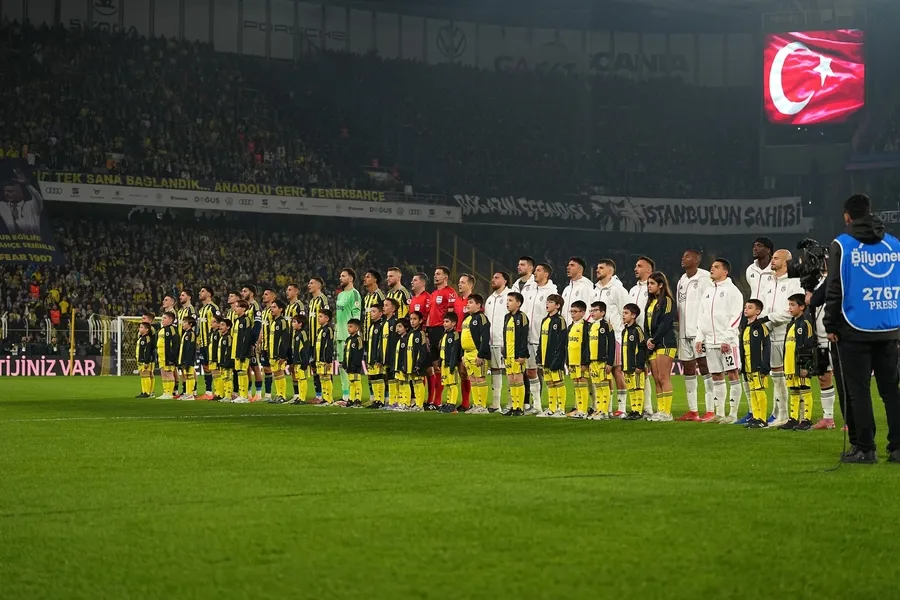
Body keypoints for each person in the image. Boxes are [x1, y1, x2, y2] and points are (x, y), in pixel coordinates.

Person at [825, 194, 900, 463]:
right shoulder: (893, 244)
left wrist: (830, 324)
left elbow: (835, 287)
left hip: (854, 327)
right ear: (870, 212)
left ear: (847, 216)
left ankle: (866, 449)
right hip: (889, 325)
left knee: (858, 391)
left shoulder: (842, 245)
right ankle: (898, 447)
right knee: (891, 391)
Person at [693, 259, 744, 423]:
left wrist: (727, 338)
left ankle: (733, 414)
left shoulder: (733, 291)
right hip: (710, 342)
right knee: (716, 376)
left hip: (727, 342)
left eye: (716, 267)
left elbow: (736, 316)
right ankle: (720, 413)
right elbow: (702, 316)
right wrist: (700, 337)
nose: (711, 269)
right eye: (711, 267)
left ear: (725, 271)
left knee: (732, 374)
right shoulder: (708, 291)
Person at [761, 250, 803, 427]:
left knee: (791, 377)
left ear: (786, 262)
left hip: (787, 335)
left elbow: (792, 310)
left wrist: (769, 320)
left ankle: (798, 415)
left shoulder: (795, 283)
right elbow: (761, 306)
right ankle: (782, 415)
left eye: (776, 258)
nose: (772, 260)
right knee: (777, 378)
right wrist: (762, 323)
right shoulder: (768, 281)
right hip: (769, 335)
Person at [676, 249, 713, 421]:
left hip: (699, 332)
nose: (683, 258)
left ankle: (711, 409)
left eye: (688, 256)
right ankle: (693, 411)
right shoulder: (682, 280)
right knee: (689, 369)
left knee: (705, 367)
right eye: (683, 256)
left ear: (697, 260)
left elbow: (708, 305)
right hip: (684, 332)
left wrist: (703, 331)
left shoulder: (705, 278)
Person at [593, 259, 631, 418]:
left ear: (610, 271)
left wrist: (623, 332)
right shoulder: (595, 290)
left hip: (615, 336)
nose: (597, 270)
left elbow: (627, 310)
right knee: (603, 371)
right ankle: (606, 407)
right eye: (597, 267)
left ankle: (621, 408)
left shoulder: (618, 289)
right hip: (598, 337)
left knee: (617, 371)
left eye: (601, 268)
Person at [778, 294, 817, 431]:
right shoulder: (791, 324)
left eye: (793, 305)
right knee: (794, 390)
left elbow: (808, 345)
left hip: (800, 364)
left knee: (805, 390)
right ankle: (793, 418)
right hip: (790, 364)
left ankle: (806, 420)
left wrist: (806, 365)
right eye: (789, 305)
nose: (790, 307)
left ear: (802, 307)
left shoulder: (805, 323)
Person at [644, 272, 677, 422]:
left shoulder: (668, 301)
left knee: (664, 377)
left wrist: (654, 340)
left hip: (665, 343)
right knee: (656, 378)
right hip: (653, 344)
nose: (649, 286)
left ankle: (667, 412)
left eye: (652, 283)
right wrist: (647, 340)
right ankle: (660, 410)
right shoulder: (650, 303)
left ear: (661, 285)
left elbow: (665, 324)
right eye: (648, 284)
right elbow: (646, 324)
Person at [427, 266, 457, 409]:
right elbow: (429, 315)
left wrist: (447, 331)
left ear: (445, 277)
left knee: (442, 365)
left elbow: (451, 314)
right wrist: (426, 332)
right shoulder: (433, 294)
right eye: (434, 274)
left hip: (441, 330)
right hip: (431, 331)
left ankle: (440, 400)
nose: (435, 276)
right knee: (435, 366)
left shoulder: (450, 292)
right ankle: (435, 400)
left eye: (438, 274)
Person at [740, 300, 771, 429]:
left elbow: (767, 346)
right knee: (752, 392)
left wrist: (765, 365)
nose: (746, 310)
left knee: (759, 391)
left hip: (758, 366)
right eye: (745, 307)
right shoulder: (745, 328)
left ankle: (763, 419)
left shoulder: (761, 327)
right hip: (748, 366)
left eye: (750, 307)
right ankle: (756, 417)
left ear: (757, 311)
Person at [630, 256, 655, 417]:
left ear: (649, 270)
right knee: (639, 371)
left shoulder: (652, 289)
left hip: (649, 337)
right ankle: (642, 407)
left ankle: (650, 408)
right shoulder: (632, 290)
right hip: (634, 336)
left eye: (639, 266)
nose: (635, 269)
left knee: (652, 372)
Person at [459, 294, 492, 414]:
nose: (468, 304)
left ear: (478, 305)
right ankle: (476, 404)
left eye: (471, 302)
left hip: (476, 353)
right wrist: (462, 354)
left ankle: (482, 406)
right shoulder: (467, 319)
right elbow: (463, 337)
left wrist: (481, 355)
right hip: (467, 354)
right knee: (472, 379)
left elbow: (485, 337)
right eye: (468, 302)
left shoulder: (481, 318)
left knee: (480, 378)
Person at [485, 271, 512, 413]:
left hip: (506, 341)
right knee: (495, 370)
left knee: (510, 371)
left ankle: (511, 403)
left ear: (505, 281)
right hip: (492, 341)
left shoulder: (510, 296)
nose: (493, 279)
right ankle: (496, 404)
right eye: (493, 277)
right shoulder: (489, 299)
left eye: (496, 278)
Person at [537, 294, 567, 418]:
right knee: (550, 383)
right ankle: (551, 408)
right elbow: (541, 340)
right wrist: (539, 356)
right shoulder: (545, 320)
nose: (547, 304)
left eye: (550, 302)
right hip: (545, 359)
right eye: (547, 301)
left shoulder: (560, 320)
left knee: (558, 382)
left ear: (558, 306)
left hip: (555, 359)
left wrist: (558, 359)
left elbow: (562, 342)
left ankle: (561, 409)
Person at [335, 269, 362, 403]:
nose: (340, 278)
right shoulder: (340, 295)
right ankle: (345, 395)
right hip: (340, 335)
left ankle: (355, 396)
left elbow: (356, 315)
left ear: (350, 278)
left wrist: (354, 334)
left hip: (349, 336)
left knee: (351, 366)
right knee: (342, 366)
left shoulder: (355, 294)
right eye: (340, 276)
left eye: (343, 276)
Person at [502, 292, 530, 416]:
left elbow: (524, 337)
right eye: (507, 300)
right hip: (508, 355)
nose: (508, 303)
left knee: (518, 380)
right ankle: (513, 406)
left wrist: (522, 355)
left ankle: (520, 407)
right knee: (511, 381)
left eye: (511, 300)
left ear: (518, 303)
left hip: (518, 355)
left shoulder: (522, 317)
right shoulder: (507, 317)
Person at [587, 301, 616, 419]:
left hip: (603, 362)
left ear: (602, 312)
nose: (592, 313)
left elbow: (612, 345)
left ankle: (605, 411)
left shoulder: (606, 326)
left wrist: (610, 362)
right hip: (593, 361)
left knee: (604, 386)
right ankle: (599, 409)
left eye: (595, 310)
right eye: (591, 310)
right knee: (597, 386)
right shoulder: (591, 326)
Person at [621, 304, 648, 421]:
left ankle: (638, 411)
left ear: (633, 315)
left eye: (626, 313)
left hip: (636, 366)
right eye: (623, 313)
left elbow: (642, 348)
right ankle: (633, 410)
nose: (623, 315)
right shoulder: (624, 331)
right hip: (627, 366)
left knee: (638, 388)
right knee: (631, 389)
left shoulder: (637, 330)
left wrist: (640, 365)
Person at [566, 300, 591, 419]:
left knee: (582, 384)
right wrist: (567, 361)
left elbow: (587, 345)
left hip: (581, 362)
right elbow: (568, 345)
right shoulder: (570, 326)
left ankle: (584, 410)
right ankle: (579, 408)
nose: (572, 314)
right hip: (572, 361)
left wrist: (585, 362)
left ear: (582, 313)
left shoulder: (586, 326)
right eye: (571, 311)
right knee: (576, 385)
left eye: (575, 311)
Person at [455, 273, 476, 411]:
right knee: (460, 371)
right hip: (456, 337)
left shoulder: (473, 301)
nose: (459, 284)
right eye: (459, 282)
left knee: (467, 370)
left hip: (467, 338)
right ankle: (464, 403)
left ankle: (469, 402)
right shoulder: (457, 301)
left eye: (462, 282)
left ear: (470, 285)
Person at [307, 277, 329, 403]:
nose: (309, 285)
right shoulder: (311, 301)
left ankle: (327, 395)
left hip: (320, 339)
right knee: (315, 367)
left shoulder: (322, 299)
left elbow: (326, 318)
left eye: (311, 283)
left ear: (319, 285)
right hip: (312, 340)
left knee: (323, 367)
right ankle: (319, 395)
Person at [196, 286, 221, 400]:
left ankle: (220, 391)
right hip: (203, 344)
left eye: (203, 291)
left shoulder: (213, 308)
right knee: (206, 367)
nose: (200, 293)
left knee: (215, 367)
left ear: (209, 294)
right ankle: (209, 392)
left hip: (212, 343)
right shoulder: (201, 310)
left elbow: (219, 324)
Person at [240, 285, 263, 401]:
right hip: (245, 342)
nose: (242, 293)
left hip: (251, 342)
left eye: (245, 291)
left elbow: (258, 325)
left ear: (252, 293)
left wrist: (254, 342)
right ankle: (248, 393)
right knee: (247, 368)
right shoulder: (246, 307)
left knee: (255, 367)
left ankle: (258, 394)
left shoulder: (255, 306)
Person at [267, 299, 291, 404]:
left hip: (279, 354)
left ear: (281, 309)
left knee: (280, 373)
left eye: (274, 307)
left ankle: (282, 395)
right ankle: (278, 394)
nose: (271, 309)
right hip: (272, 353)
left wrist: (282, 355)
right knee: (276, 374)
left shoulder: (282, 322)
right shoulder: (273, 322)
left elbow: (285, 339)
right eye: (271, 307)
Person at [364, 302, 388, 409]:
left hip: (377, 358)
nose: (371, 314)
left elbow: (381, 344)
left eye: (374, 311)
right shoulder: (372, 326)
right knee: (373, 378)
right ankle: (376, 400)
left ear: (380, 313)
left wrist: (379, 357)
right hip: (371, 357)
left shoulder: (382, 326)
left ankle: (381, 400)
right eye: (370, 312)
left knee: (379, 377)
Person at [230, 300, 254, 404]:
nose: (235, 308)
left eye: (237, 306)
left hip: (243, 352)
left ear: (243, 309)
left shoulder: (246, 320)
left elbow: (247, 337)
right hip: (236, 351)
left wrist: (243, 352)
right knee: (239, 373)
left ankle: (245, 396)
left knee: (243, 373)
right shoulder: (237, 320)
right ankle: (241, 394)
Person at [406, 311, 430, 412]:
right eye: (411, 319)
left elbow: (423, 351)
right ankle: (416, 402)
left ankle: (420, 405)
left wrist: (419, 363)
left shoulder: (421, 333)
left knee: (419, 382)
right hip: (410, 363)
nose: (412, 321)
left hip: (417, 364)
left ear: (420, 321)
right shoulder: (410, 333)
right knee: (414, 382)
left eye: (415, 319)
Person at [258, 288, 279, 401]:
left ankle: (280, 394)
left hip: (273, 345)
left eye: (266, 294)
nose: (263, 296)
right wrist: (259, 342)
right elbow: (262, 328)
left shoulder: (274, 311)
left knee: (276, 370)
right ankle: (267, 394)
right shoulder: (264, 311)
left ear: (273, 296)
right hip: (265, 345)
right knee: (266, 369)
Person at [438, 312, 462, 413]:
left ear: (454, 323)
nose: (444, 323)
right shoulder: (445, 334)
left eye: (447, 322)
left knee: (452, 384)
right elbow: (442, 350)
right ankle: (448, 403)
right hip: (444, 363)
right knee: (447, 384)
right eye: (444, 321)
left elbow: (454, 351)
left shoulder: (455, 335)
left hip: (451, 364)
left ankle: (452, 405)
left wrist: (452, 365)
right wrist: (440, 362)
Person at [313, 308, 336, 406]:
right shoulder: (320, 330)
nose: (318, 319)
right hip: (319, 359)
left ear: (327, 318)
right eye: (318, 317)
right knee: (322, 379)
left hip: (325, 360)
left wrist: (328, 360)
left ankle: (329, 399)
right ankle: (324, 397)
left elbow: (329, 345)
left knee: (327, 378)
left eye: (320, 317)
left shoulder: (329, 330)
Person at [562, 257, 594, 325]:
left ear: (580, 270)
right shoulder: (566, 289)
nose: (568, 267)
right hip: (567, 331)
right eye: (568, 265)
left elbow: (589, 310)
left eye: (572, 265)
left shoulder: (586, 287)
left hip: (579, 330)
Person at [381, 297, 401, 409]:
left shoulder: (395, 323)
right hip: (386, 357)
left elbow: (394, 342)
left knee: (394, 379)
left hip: (393, 356)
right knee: (389, 379)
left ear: (393, 309)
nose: (384, 307)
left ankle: (396, 401)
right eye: (383, 305)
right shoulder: (385, 322)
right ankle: (392, 400)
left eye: (386, 305)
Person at [155, 311, 179, 399]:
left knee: (169, 373)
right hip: (161, 356)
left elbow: (175, 344)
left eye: (165, 318)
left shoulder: (172, 329)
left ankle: (170, 392)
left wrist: (172, 356)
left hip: (168, 356)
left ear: (171, 320)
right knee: (163, 374)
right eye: (162, 318)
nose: (162, 320)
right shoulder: (162, 330)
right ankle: (165, 392)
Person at [342, 318, 365, 409]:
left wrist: (356, 364)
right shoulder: (348, 340)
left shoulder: (358, 339)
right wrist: (345, 363)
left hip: (355, 366)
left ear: (357, 328)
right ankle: (351, 399)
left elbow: (359, 353)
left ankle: (358, 399)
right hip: (349, 366)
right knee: (351, 383)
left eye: (350, 327)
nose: (348, 328)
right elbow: (345, 353)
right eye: (348, 326)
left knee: (357, 382)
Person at [289, 314, 310, 404]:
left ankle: (302, 398)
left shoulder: (303, 333)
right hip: (297, 361)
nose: (292, 324)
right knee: (299, 379)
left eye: (294, 322)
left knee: (302, 379)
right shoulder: (296, 334)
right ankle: (300, 397)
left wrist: (305, 361)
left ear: (300, 324)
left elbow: (306, 347)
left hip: (302, 361)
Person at [362, 270, 386, 343]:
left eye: (368, 277)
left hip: (376, 336)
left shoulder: (380, 296)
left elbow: (385, 315)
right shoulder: (366, 297)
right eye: (365, 277)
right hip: (366, 337)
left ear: (375, 280)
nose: (364, 279)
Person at [178, 315, 198, 400]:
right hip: (184, 359)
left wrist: (188, 361)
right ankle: (187, 393)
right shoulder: (186, 333)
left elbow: (191, 348)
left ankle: (190, 394)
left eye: (185, 322)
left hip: (189, 359)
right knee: (187, 375)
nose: (183, 324)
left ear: (190, 324)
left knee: (190, 375)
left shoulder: (191, 334)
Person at [135, 322, 154, 398]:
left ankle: (147, 392)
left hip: (145, 361)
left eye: (142, 327)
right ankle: (143, 391)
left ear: (147, 330)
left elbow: (148, 350)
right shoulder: (141, 338)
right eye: (140, 327)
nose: (140, 328)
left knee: (146, 375)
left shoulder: (147, 338)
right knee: (143, 376)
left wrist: (146, 361)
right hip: (140, 360)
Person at [217, 318, 234, 402]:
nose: (220, 327)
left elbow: (230, 350)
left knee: (228, 378)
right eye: (220, 325)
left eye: (223, 325)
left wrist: (228, 361)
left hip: (227, 362)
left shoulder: (229, 337)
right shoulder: (222, 337)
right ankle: (225, 395)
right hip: (222, 362)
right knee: (224, 378)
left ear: (228, 327)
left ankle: (228, 395)